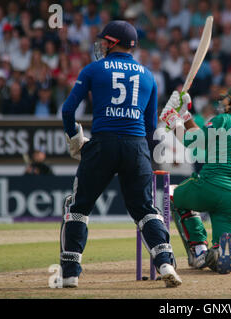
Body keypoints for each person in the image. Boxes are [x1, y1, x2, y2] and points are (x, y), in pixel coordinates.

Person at [59, 20, 181, 288]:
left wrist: (74, 137)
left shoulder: (93, 69)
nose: (101, 45)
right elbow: (150, 129)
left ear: (112, 43)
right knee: (145, 210)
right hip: (136, 146)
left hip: (103, 143)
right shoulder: (149, 75)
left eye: (104, 41)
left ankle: (69, 274)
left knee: (78, 208)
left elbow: (68, 111)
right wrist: (144, 157)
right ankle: (165, 263)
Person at [160, 83, 231, 274]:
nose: (225, 101)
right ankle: (219, 253)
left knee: (174, 196)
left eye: (229, 99)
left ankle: (198, 251)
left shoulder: (223, 120)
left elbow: (192, 141)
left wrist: (171, 118)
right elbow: (203, 140)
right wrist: (185, 115)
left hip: (211, 186)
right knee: (221, 250)